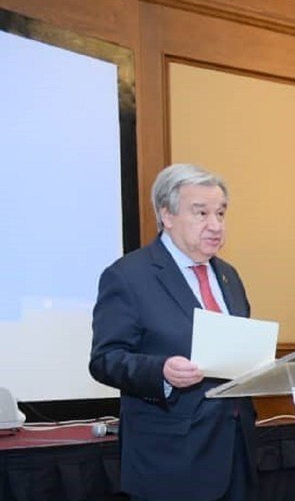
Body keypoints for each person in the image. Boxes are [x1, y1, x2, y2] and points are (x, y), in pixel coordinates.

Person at [89, 163, 257, 501]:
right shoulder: (129, 275)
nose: (215, 225)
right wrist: (161, 371)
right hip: (170, 460)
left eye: (221, 214)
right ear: (166, 215)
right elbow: (105, 359)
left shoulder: (228, 276)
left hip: (235, 452)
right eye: (201, 213)